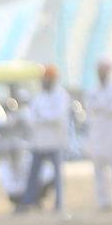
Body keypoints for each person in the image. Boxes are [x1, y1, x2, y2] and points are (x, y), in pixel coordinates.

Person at [19, 64, 69, 213]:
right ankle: (28, 202)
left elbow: (58, 117)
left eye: (48, 78)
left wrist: (42, 117)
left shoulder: (61, 96)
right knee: (33, 173)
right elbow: (31, 118)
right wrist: (45, 118)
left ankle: (59, 203)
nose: (45, 80)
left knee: (58, 174)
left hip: (55, 141)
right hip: (39, 141)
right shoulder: (38, 97)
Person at [86, 58, 112, 211]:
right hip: (98, 134)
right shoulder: (94, 90)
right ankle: (103, 201)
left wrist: (99, 105)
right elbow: (89, 105)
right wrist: (103, 105)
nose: (101, 74)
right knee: (98, 170)